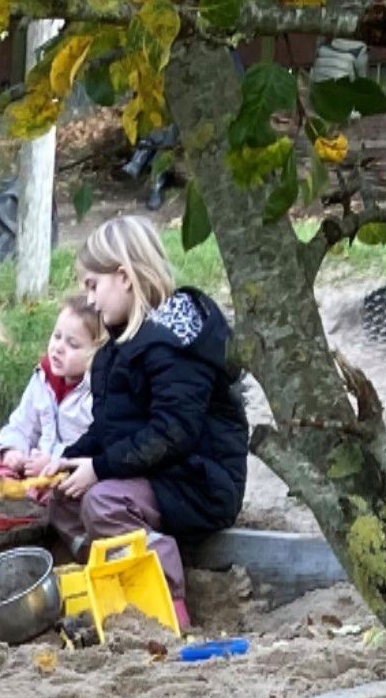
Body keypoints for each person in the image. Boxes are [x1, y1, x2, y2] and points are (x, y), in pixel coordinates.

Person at [48, 211, 251, 623]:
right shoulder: (119, 348)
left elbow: (173, 432)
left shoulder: (173, 345)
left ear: (124, 277)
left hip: (199, 480)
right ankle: (106, 574)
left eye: (93, 285)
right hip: (157, 474)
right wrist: (67, 461)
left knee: (103, 502)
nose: (90, 300)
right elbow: (111, 428)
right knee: (62, 499)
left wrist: (100, 469)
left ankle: (167, 599)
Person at [0, 296, 105, 523]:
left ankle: (28, 501)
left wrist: (53, 461)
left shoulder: (95, 391)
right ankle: (14, 494)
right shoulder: (43, 378)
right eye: (56, 336)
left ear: (98, 353)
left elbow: (94, 446)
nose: (58, 348)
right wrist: (13, 450)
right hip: (33, 466)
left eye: (73, 345)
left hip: (64, 471)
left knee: (76, 489)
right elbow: (22, 425)